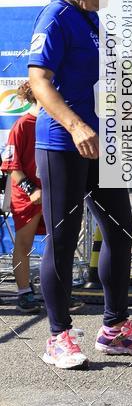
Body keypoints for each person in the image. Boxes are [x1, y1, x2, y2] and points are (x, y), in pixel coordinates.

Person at [28, 0, 132, 369]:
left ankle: (115, 328)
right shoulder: (57, 16)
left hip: (105, 146)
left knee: (120, 231)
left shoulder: (96, 21)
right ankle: (58, 336)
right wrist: (76, 124)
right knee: (63, 241)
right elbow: (40, 79)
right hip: (63, 143)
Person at [0, 82, 45, 312]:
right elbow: (11, 166)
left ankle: (57, 291)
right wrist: (32, 190)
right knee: (24, 242)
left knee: (59, 243)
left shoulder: (57, 124)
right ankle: (24, 292)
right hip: (28, 196)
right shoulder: (22, 125)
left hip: (52, 191)